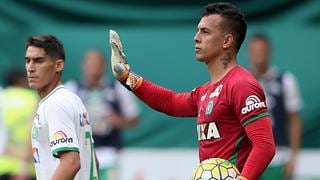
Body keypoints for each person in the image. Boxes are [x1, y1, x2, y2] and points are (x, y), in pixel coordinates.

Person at [109, 2, 276, 180]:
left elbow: (265, 145)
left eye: (205, 31)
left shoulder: (242, 84)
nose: (196, 37)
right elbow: (170, 102)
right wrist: (127, 77)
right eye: (198, 30)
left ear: (227, 41)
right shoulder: (205, 91)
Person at [25, 35, 99, 180]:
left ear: (58, 65)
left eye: (39, 61)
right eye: (27, 60)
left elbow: (71, 162)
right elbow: (93, 160)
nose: (30, 68)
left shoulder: (56, 103)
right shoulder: (72, 99)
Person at [65, 50, 140, 180]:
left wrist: (118, 121)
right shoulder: (71, 89)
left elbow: (134, 118)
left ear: (104, 66)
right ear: (83, 65)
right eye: (90, 64)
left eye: (97, 64)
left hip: (109, 151)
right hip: (80, 152)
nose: (94, 69)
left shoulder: (117, 88)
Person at [248, 34, 302, 180]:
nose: (259, 55)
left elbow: (295, 120)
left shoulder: (285, 80)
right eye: (255, 51)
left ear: (269, 52)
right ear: (249, 53)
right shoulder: (243, 82)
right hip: (249, 158)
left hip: (278, 157)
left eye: (262, 51)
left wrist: (293, 157)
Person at [0, 68, 38, 180]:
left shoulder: (2, 98)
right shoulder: (32, 98)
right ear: (22, 81)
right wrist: (24, 165)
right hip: (24, 168)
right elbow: (33, 132)